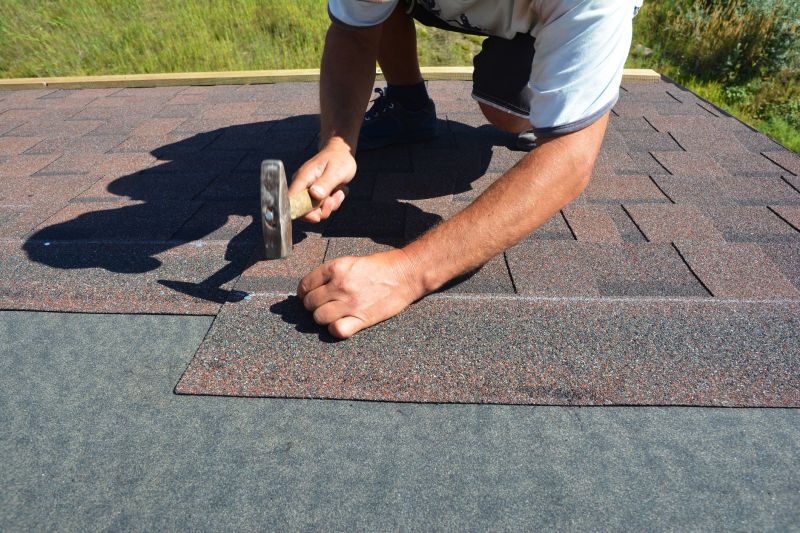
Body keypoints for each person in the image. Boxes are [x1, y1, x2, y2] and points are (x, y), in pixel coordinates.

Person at [289, 0, 642, 339]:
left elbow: (570, 159)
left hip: (539, 17)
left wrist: (407, 272)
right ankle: (409, 108)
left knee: (506, 112)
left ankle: (550, 105)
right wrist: (338, 144)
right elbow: (354, 33)